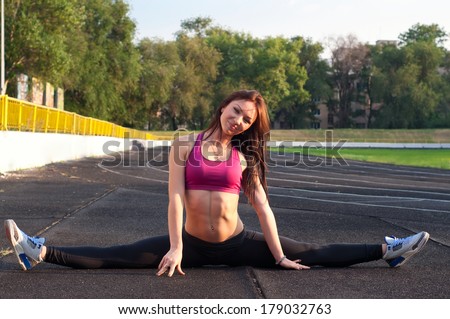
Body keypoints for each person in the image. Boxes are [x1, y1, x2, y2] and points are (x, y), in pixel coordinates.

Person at [5, 90, 429, 276]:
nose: (239, 120)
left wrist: (278, 256)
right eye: (236, 110)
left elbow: (262, 207)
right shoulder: (183, 143)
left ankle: (387, 250)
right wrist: (175, 246)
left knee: (313, 253)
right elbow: (174, 197)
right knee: (115, 255)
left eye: (247, 119)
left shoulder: (244, 157)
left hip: (237, 242)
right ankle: (37, 250)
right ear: (223, 106)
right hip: (189, 242)